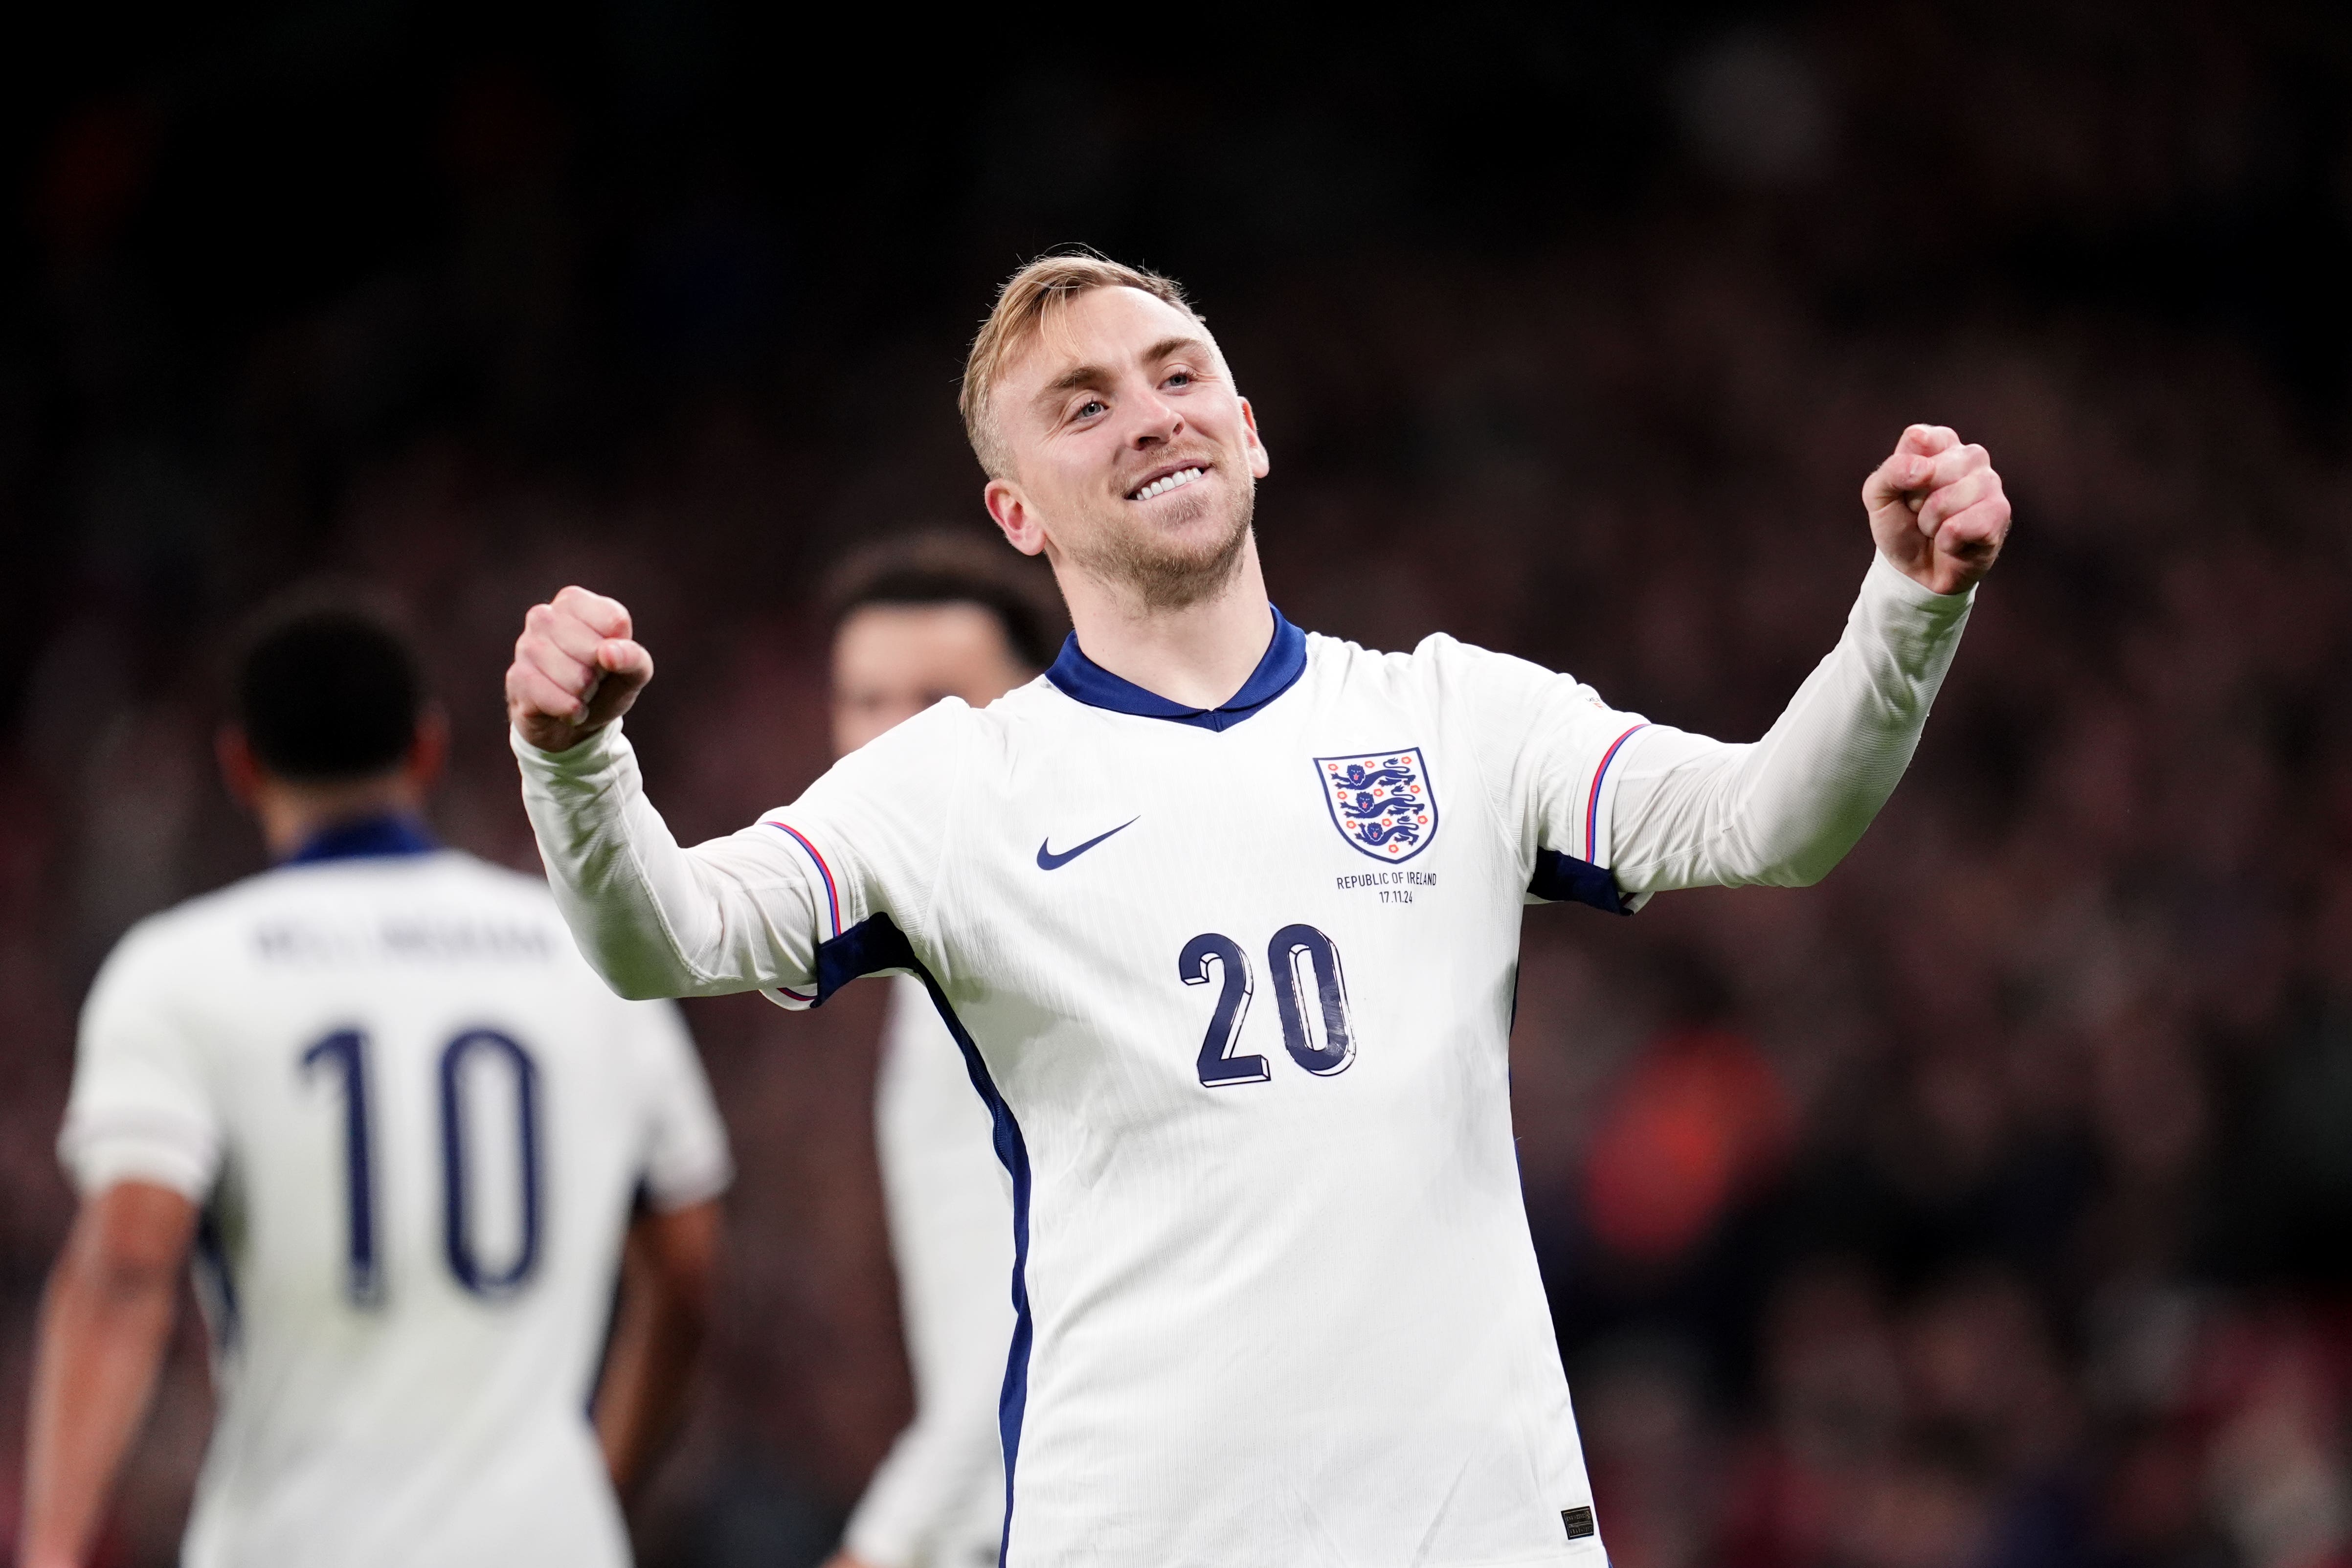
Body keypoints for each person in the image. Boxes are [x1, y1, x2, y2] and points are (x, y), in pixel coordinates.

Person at [503, 252, 2011, 1567]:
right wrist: (576, 764)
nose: (1149, 410)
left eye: (1178, 374)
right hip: (1146, 1526)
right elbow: (668, 934)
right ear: (1016, 512)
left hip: (1471, 1522)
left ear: (1247, 427)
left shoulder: (1454, 716)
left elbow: (1775, 821)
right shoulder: (954, 786)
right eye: (1084, 402)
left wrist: (1906, 605)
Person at [22, 593, 731, 1568]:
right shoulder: (584, 957)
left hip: (294, 1541)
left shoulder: (180, 971)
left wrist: (50, 1547)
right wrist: (593, 1488)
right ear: (427, 748)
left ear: (241, 765)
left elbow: (127, 1267)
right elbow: (686, 1275)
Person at [817, 533, 1062, 1568]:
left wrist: (889, 1542)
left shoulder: (1034, 946)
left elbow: (1036, 1318)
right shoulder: (929, 939)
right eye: (864, 701)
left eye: (933, 704)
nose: (887, 740)